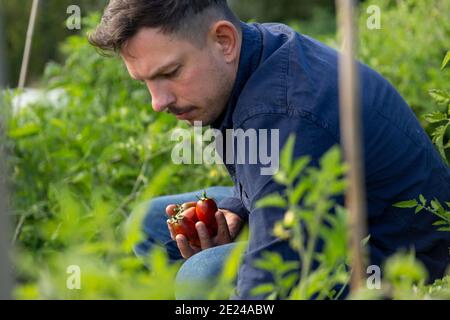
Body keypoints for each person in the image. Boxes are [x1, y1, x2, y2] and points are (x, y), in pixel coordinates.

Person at [89, 0, 450, 299]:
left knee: (201, 276)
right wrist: (237, 209)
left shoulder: (284, 114)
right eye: (146, 81)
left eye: (170, 72)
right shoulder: (258, 51)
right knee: (150, 223)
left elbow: (266, 284)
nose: (157, 101)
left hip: (395, 262)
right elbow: (269, 179)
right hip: (329, 212)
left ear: (223, 40)